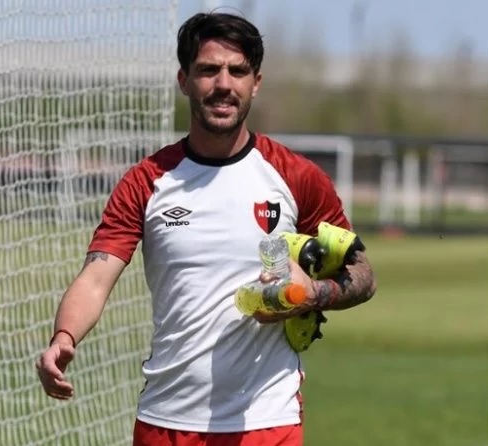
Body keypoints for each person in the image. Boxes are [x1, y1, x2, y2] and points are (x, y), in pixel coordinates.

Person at [35, 11, 377, 446]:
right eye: (208, 70)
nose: (223, 84)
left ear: (256, 82)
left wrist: (315, 294)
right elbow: (96, 278)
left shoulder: (296, 176)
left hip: (267, 421)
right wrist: (63, 337)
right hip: (166, 419)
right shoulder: (147, 181)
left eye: (238, 71)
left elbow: (362, 274)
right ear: (184, 80)